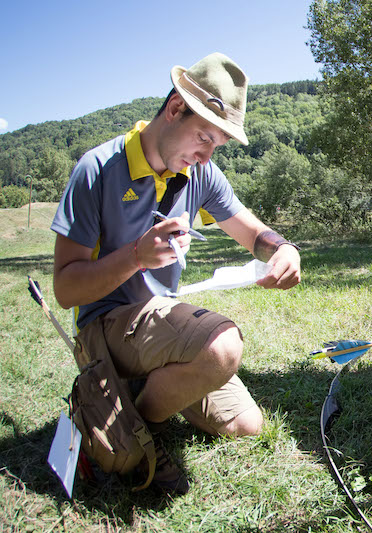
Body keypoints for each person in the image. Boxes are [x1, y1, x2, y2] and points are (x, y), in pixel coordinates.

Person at [50, 52, 301, 494]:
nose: (206, 157)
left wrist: (281, 248)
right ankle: (135, 425)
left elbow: (250, 230)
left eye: (216, 146)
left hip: (156, 322)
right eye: (203, 137)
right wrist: (134, 257)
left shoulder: (198, 173)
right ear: (173, 110)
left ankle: (133, 408)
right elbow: (66, 289)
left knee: (247, 424)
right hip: (103, 327)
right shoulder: (98, 170)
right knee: (222, 346)